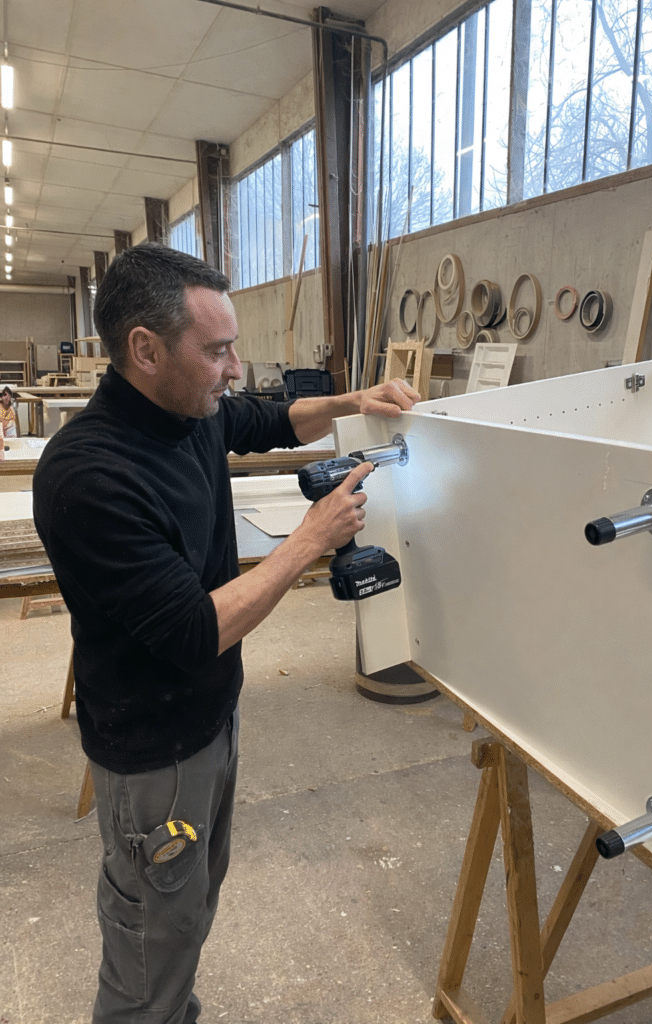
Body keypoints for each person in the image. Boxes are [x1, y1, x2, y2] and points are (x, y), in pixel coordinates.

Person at [32, 242, 419, 1024]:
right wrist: (309, 540)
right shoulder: (91, 474)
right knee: (150, 938)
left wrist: (358, 400)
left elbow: (271, 418)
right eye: (216, 351)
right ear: (146, 349)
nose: (234, 368)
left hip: (211, 715)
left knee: (186, 907)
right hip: (152, 748)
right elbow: (191, 630)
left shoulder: (191, 410)